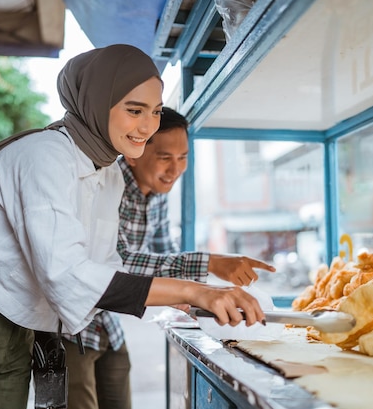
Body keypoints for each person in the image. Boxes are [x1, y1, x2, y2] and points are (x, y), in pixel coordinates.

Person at [0, 44, 267, 409]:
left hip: (18, 322)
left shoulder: (110, 177)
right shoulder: (45, 155)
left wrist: (191, 294)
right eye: (134, 110)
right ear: (95, 100)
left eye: (154, 112)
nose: (147, 126)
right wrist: (196, 291)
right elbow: (67, 274)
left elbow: (107, 268)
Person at [62, 107, 276, 409]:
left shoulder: (158, 196)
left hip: (107, 324)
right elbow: (116, 263)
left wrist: (198, 298)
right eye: (165, 157)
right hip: (71, 327)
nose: (175, 169)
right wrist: (210, 263)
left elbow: (163, 257)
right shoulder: (109, 185)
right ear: (135, 151)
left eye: (183, 157)